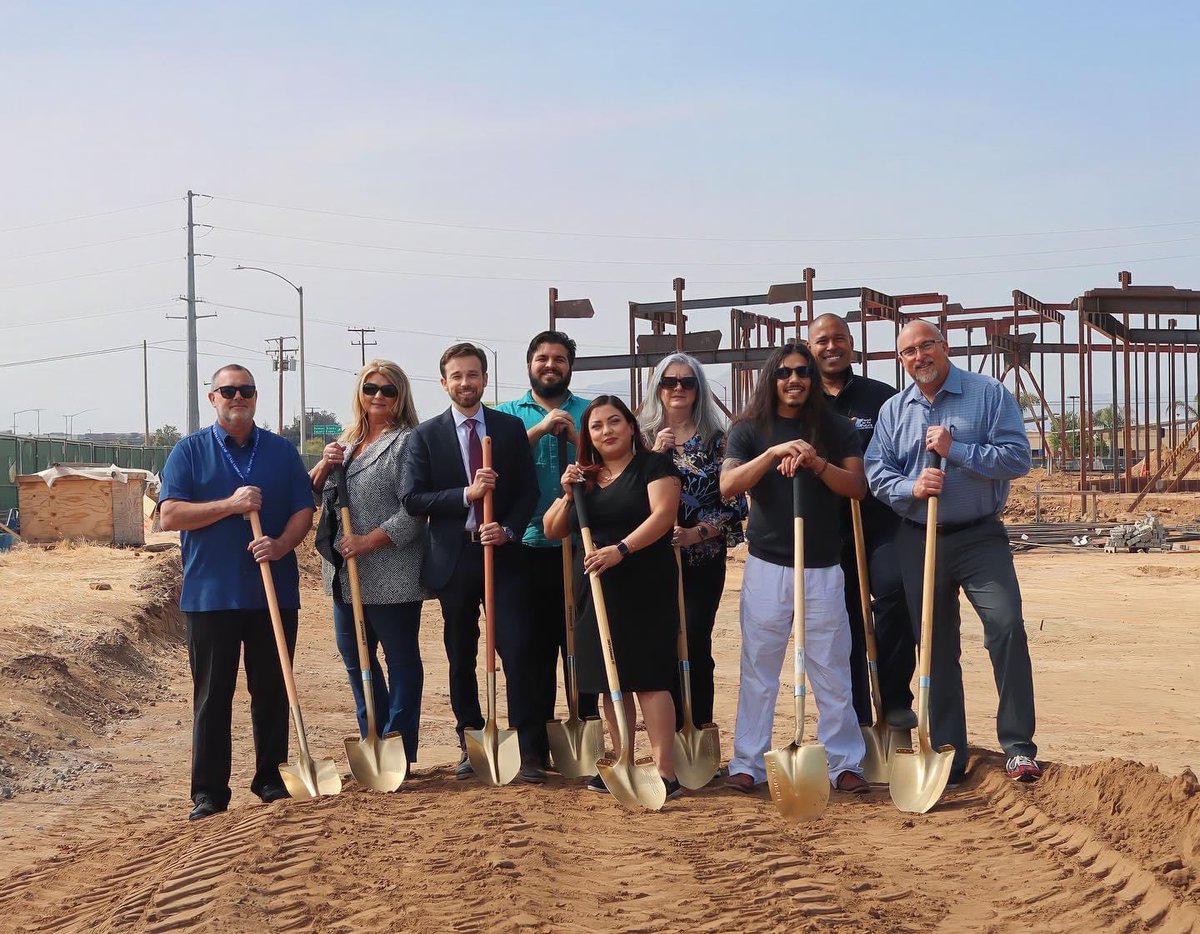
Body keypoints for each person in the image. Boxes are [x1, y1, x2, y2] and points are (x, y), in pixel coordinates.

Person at [865, 321, 1040, 784]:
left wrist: (955, 449)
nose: (918, 356)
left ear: (944, 347)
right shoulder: (893, 410)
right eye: (908, 352)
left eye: (926, 346)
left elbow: (1018, 458)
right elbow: (876, 473)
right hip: (917, 537)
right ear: (900, 360)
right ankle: (948, 750)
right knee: (935, 644)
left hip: (980, 536)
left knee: (1006, 627)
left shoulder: (988, 394)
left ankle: (1019, 747)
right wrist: (911, 486)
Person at [158, 364, 315, 821]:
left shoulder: (282, 452)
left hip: (273, 595)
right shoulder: (189, 452)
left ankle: (271, 777)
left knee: (272, 689)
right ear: (213, 398)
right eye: (228, 390)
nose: (237, 397)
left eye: (245, 390)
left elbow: (304, 509)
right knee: (212, 696)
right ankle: (208, 791)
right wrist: (232, 505)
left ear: (255, 396)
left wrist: (282, 544)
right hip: (211, 596)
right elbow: (169, 516)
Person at [719, 343, 870, 795]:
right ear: (772, 378)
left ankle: (844, 763)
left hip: (823, 566)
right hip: (767, 565)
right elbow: (728, 485)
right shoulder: (748, 429)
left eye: (803, 372)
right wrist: (773, 454)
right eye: (785, 373)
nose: (795, 380)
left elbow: (857, 488)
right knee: (759, 668)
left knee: (830, 666)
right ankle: (748, 762)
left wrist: (815, 462)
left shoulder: (837, 428)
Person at [399, 343, 543, 783]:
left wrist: (508, 528)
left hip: (502, 553)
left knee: (518, 649)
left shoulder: (509, 428)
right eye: (457, 376)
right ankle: (471, 739)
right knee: (461, 654)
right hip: (455, 556)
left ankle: (529, 747)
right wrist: (467, 495)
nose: (466, 383)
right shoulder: (424, 436)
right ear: (444, 383)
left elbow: (527, 494)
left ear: (485, 379)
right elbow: (412, 497)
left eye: (473, 375)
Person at [542, 396, 683, 799]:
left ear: (631, 426)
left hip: (643, 583)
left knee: (650, 680)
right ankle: (622, 761)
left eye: (615, 421)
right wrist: (568, 494)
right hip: (597, 588)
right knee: (610, 682)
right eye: (597, 426)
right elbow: (553, 529)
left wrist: (620, 550)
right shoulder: (584, 479)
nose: (607, 431)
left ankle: (664, 772)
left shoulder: (653, 466)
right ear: (587, 436)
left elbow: (662, 516)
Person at [310, 359, 426, 769]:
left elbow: (413, 512)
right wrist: (325, 462)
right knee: (356, 657)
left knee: (400, 660)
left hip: (390, 575)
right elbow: (312, 493)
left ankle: (399, 745)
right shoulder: (345, 441)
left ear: (401, 396)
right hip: (346, 576)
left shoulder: (410, 442)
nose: (378, 396)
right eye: (370, 388)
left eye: (388, 390)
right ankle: (372, 734)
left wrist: (367, 541)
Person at [808, 313, 917, 730]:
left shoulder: (883, 397)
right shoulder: (801, 400)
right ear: (811, 346)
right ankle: (853, 712)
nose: (831, 347)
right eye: (822, 341)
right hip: (825, 528)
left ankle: (893, 699)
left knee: (894, 594)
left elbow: (904, 453)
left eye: (839, 339)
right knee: (843, 615)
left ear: (852, 344)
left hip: (881, 520)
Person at [494, 330, 600, 741]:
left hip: (579, 549)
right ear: (529, 366)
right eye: (543, 359)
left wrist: (576, 435)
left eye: (559, 359)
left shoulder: (591, 411)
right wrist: (540, 428)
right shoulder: (505, 414)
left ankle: (583, 739)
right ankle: (531, 746)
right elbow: (495, 460)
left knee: (580, 646)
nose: (550, 365)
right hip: (522, 548)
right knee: (524, 653)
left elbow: (611, 461)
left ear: (570, 367)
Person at [638, 352, 745, 740]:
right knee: (662, 645)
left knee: (696, 641)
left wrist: (697, 533)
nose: (678, 388)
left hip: (701, 562)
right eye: (670, 382)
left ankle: (698, 728)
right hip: (651, 564)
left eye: (687, 382)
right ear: (658, 389)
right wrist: (653, 457)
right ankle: (666, 738)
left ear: (699, 390)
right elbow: (626, 496)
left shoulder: (719, 442)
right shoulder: (642, 440)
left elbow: (735, 506)